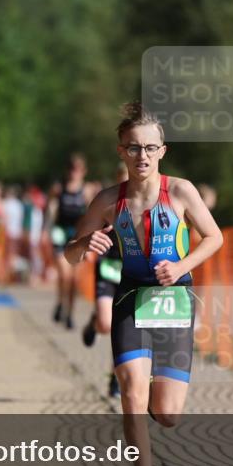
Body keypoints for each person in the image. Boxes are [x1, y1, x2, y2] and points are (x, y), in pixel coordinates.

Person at [63, 102, 223, 466]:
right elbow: (70, 254)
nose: (142, 156)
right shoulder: (107, 200)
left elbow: (215, 237)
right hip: (131, 298)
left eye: (150, 148)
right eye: (134, 148)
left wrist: (182, 266)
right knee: (132, 396)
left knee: (166, 413)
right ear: (121, 152)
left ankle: (153, 403)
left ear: (162, 151)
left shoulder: (182, 191)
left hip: (173, 300)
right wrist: (86, 246)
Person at [82, 162, 131, 398]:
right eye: (122, 178)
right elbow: (84, 232)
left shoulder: (144, 205)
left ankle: (115, 375)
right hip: (107, 269)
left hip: (130, 273)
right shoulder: (106, 204)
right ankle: (93, 323)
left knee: (120, 329)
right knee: (105, 324)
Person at [48, 154, 89, 329]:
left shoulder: (87, 191)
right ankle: (60, 302)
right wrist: (45, 231)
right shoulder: (58, 189)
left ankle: (70, 313)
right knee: (64, 274)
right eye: (72, 168)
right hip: (59, 232)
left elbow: (92, 214)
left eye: (78, 169)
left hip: (77, 236)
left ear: (84, 171)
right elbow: (50, 211)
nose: (75, 172)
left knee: (74, 280)